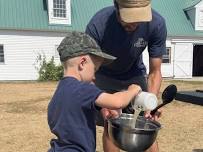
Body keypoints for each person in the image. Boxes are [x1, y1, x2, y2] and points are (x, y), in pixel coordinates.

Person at [85, 0, 167, 151]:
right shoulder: (98, 24)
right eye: (129, 18)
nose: (134, 23)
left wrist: (152, 102)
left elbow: (155, 72)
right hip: (104, 75)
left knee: (146, 124)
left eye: (139, 18)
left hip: (134, 74)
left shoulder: (157, 24)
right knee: (111, 123)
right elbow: (87, 72)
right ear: (116, 6)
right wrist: (103, 105)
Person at [47, 31, 142, 152]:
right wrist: (132, 90)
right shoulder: (82, 88)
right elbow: (117, 102)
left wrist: (103, 107)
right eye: (95, 69)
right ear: (82, 63)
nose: (94, 76)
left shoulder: (60, 91)